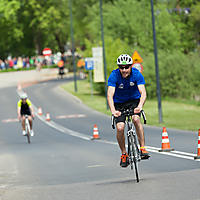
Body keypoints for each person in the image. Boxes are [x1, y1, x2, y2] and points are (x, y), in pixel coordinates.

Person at [107, 54, 150, 168]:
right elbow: (110, 94)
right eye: (121, 67)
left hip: (133, 101)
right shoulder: (114, 75)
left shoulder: (136, 74)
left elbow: (143, 92)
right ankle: (124, 154)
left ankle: (142, 148)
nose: (124, 70)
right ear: (119, 67)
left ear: (131, 66)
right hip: (119, 103)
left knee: (136, 119)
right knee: (120, 127)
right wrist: (113, 111)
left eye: (127, 67)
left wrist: (140, 106)